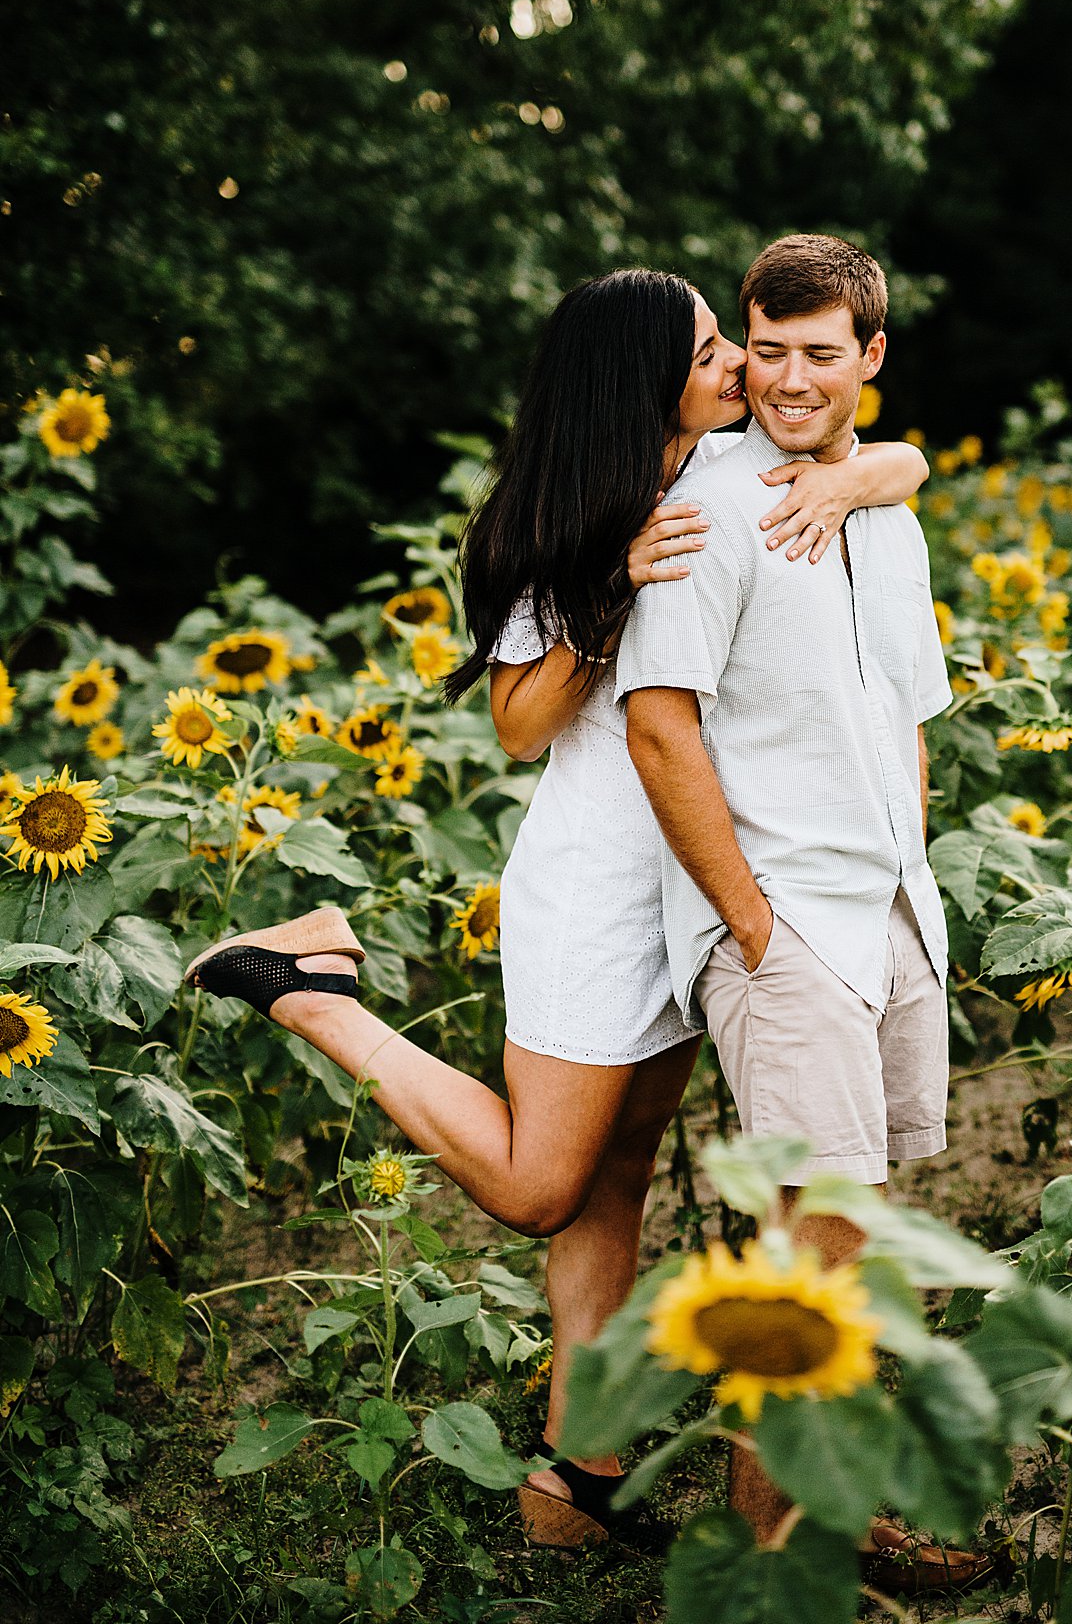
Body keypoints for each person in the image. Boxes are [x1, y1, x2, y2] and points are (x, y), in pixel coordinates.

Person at [185, 267, 929, 1548]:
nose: (741, 367)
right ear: (644, 378)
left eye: (732, 342)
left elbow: (893, 455)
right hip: (599, 885)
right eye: (712, 349)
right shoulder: (564, 518)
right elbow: (520, 725)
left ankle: (576, 1473)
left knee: (617, 1176)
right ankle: (314, 989)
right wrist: (609, 589)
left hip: (696, 874)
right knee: (541, 1184)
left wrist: (864, 475)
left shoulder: (724, 470)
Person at [616, 235, 984, 1592]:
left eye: (819, 353)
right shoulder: (708, 511)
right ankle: (772, 1563)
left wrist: (908, 874)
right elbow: (659, 726)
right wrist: (752, 926)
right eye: (764, 350)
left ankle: (832, 1516)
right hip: (784, 925)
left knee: (845, 1238)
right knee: (804, 1255)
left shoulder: (886, 514)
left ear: (870, 356)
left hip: (883, 905)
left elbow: (906, 711)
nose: (786, 378)